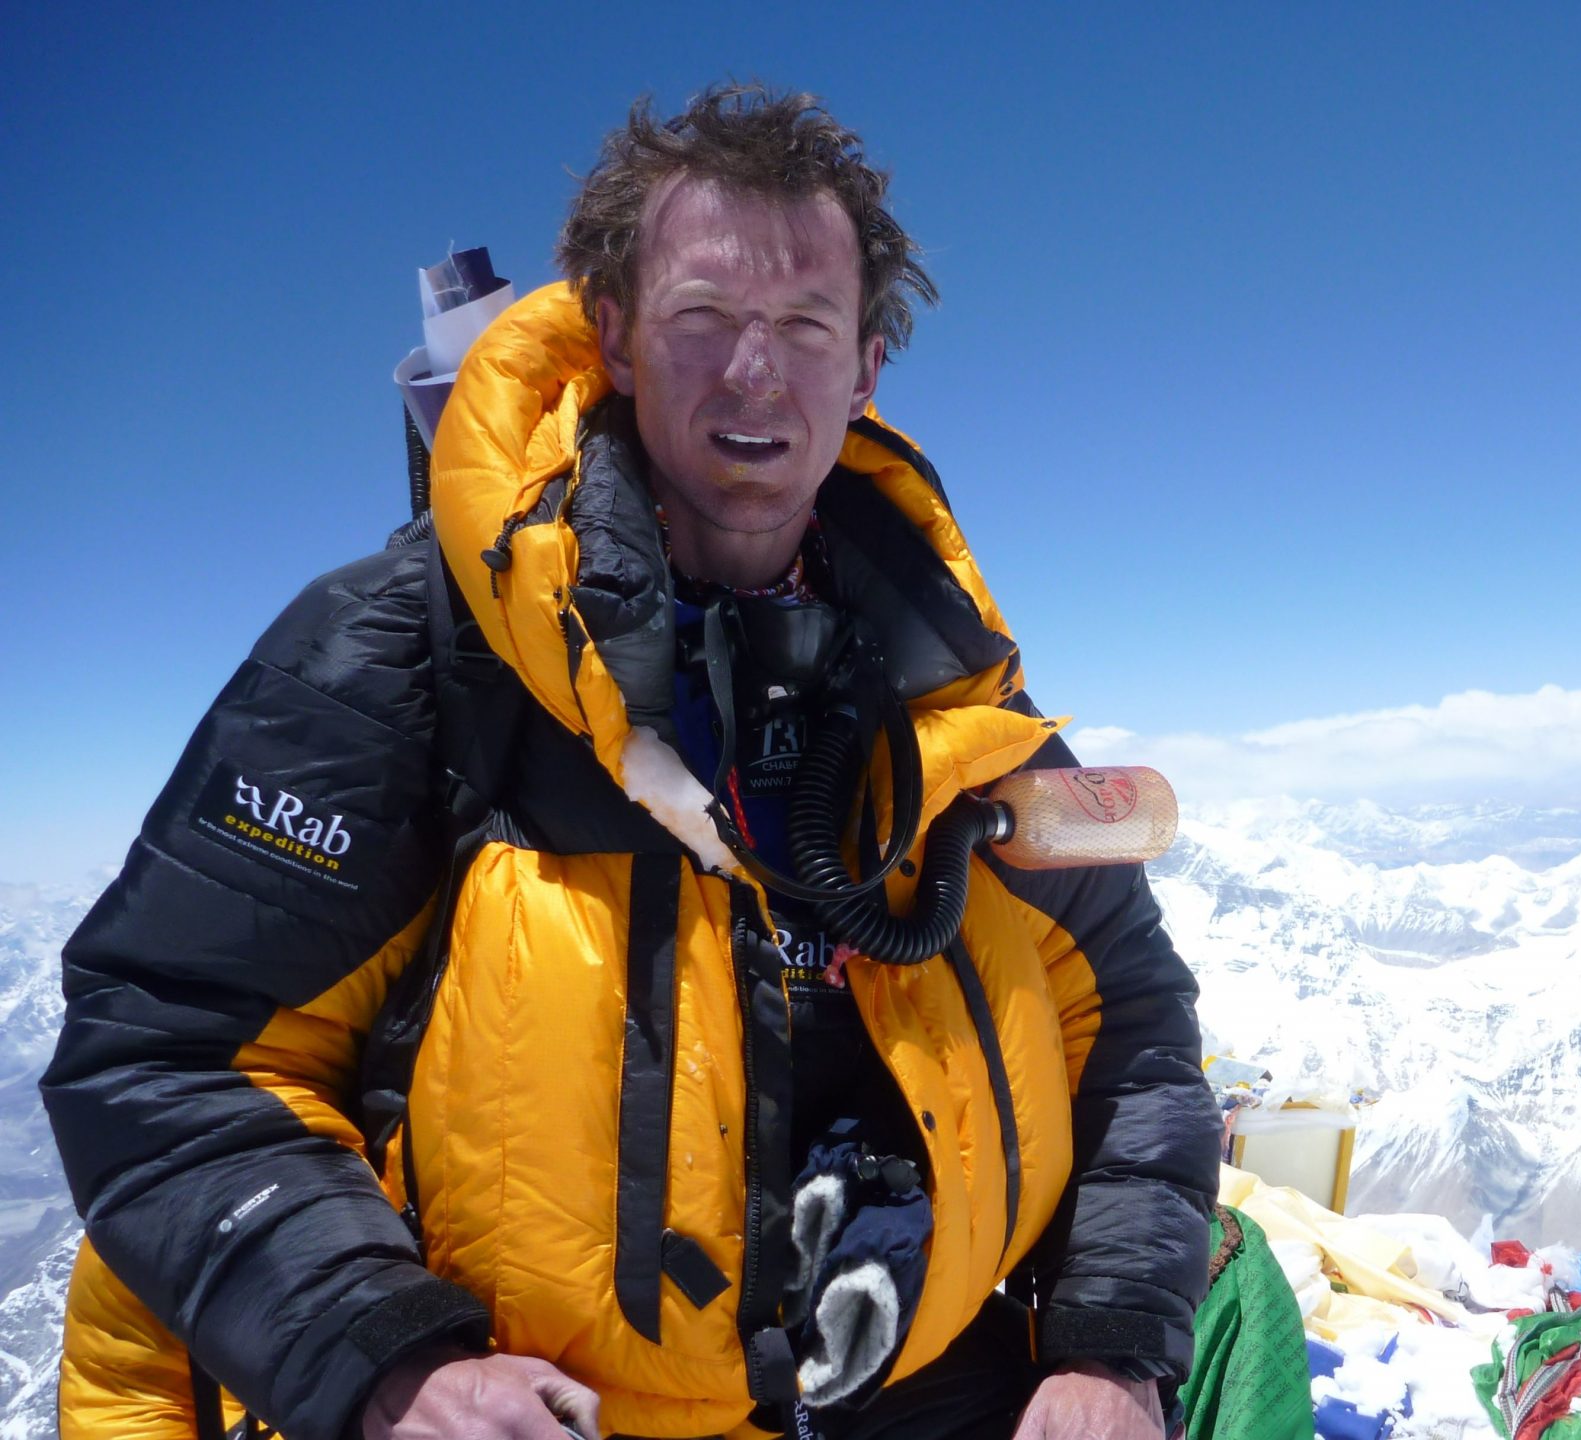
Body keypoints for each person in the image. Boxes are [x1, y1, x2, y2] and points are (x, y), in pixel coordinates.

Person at [43, 84, 1220, 1440]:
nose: (754, 374)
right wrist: (384, 1362)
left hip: (930, 1383)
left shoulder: (941, 677)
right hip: (542, 1409)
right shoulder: (410, 658)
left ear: (866, 366)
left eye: (802, 325)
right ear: (612, 336)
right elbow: (166, 1052)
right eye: (702, 320)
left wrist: (1111, 1353)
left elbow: (1129, 1025)